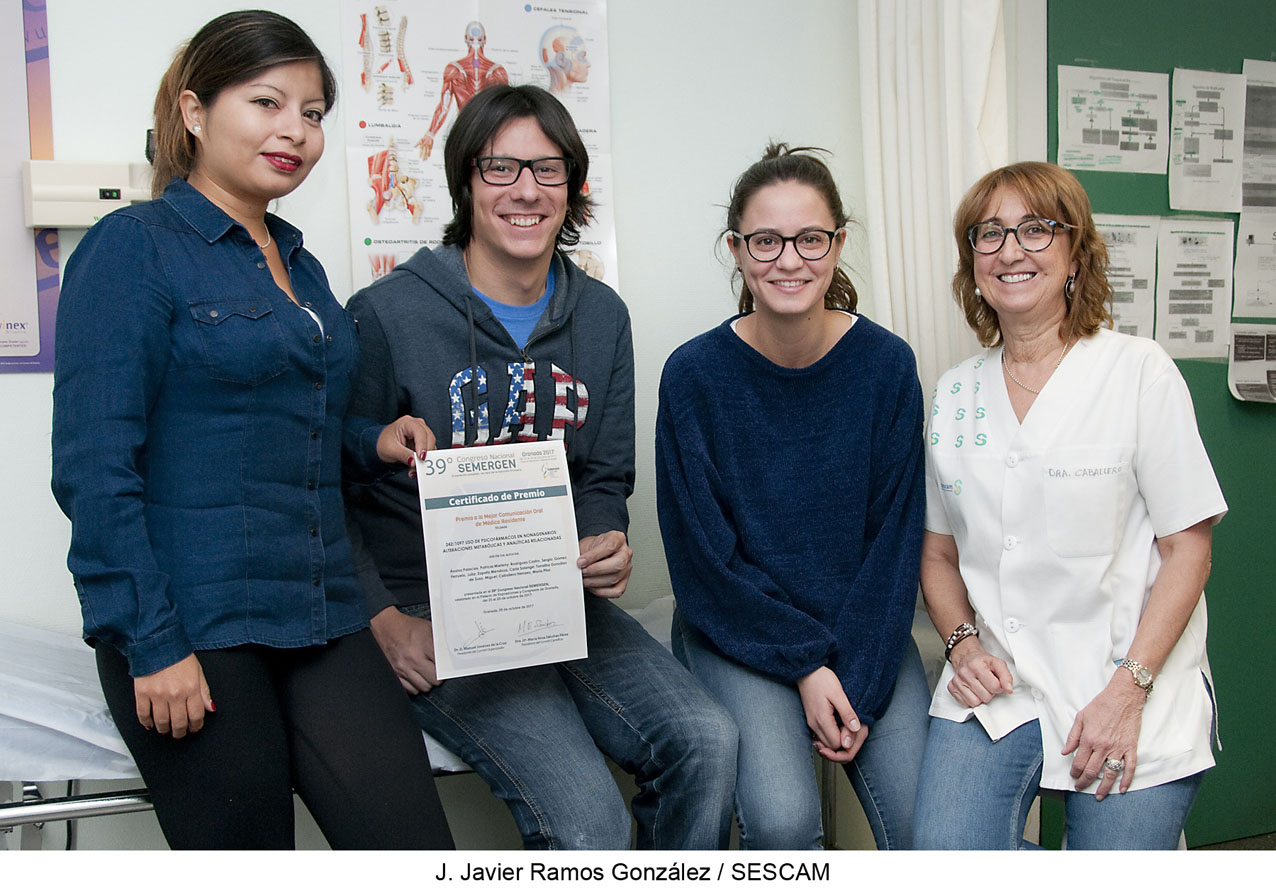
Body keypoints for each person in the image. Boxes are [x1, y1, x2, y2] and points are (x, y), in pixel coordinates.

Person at [50, 11, 453, 850]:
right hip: (195, 621)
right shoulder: (134, 249)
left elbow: (296, 425)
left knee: (415, 850)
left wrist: (371, 440)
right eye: (267, 102)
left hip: (321, 608)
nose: (295, 132)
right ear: (195, 113)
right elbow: (94, 468)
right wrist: (151, 643)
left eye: (312, 113)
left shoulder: (299, 264)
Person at [344, 83, 738, 850]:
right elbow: (331, 483)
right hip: (437, 613)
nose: (526, 189)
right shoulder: (386, 313)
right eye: (501, 167)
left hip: (555, 599)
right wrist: (383, 620)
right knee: (590, 819)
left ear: (573, 186)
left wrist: (606, 537)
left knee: (707, 740)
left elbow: (602, 476)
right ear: (465, 181)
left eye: (548, 169)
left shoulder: (602, 317)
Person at [913, 161, 1226, 849]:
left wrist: (1129, 689)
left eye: (1036, 228)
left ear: (1075, 252)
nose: (1010, 249)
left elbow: (1189, 550)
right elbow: (937, 554)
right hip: (996, 691)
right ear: (972, 261)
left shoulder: (1139, 371)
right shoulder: (956, 392)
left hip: (1128, 681)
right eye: (988, 233)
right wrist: (961, 644)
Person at [655, 144, 930, 850]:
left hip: (862, 624)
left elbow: (895, 544)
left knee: (928, 832)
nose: (788, 259)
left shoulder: (888, 366)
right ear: (737, 250)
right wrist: (807, 665)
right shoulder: (693, 376)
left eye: (810, 238)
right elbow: (705, 562)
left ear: (837, 244)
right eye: (765, 240)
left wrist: (858, 682)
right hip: (739, 626)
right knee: (782, 823)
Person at [414, 20, 509, 161]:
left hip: (466, 135)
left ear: (466, 39)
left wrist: (431, 133)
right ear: (485, 40)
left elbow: (444, 106)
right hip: (487, 138)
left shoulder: (454, 70)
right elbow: (507, 112)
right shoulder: (498, 71)